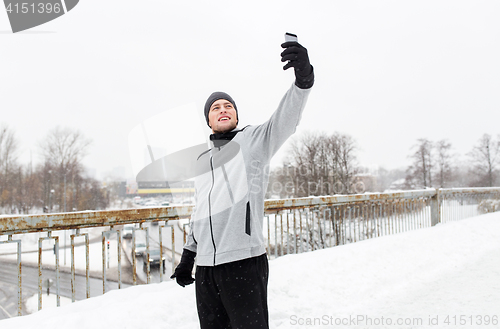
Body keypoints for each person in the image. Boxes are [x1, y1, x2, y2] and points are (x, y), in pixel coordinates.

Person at [171, 37, 314, 329]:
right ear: (208, 121)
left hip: (243, 263)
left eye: (228, 106)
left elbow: (284, 121)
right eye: (215, 108)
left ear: (235, 114)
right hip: (207, 270)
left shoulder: (253, 141)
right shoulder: (202, 160)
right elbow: (201, 211)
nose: (223, 110)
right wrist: (189, 256)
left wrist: (303, 78)